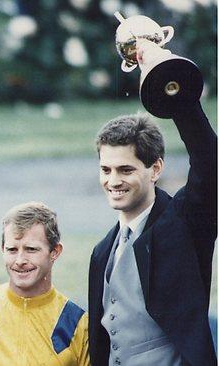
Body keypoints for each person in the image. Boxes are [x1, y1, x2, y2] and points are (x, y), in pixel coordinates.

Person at [87, 42, 217, 365]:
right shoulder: (102, 252)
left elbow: (210, 164)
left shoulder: (184, 222)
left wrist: (168, 78)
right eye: (106, 169)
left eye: (126, 169)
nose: (113, 181)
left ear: (155, 168)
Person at [0, 202, 89, 365]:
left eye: (31, 249)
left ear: (55, 252)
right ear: (2, 249)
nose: (20, 260)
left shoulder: (77, 322)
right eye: (12, 250)